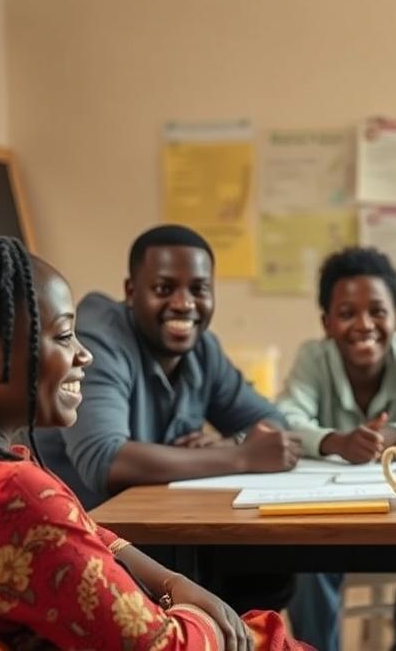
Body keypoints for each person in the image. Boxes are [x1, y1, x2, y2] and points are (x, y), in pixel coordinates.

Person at [0, 231, 310, 650]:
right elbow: (168, 646)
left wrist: (171, 582)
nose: (84, 354)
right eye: (62, 335)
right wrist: (211, 618)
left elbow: (81, 530)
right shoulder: (10, 496)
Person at [38, 224, 301, 611]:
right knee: (233, 578)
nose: (183, 303)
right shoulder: (100, 339)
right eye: (164, 288)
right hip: (86, 541)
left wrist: (230, 444)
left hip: (157, 534)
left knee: (269, 571)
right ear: (131, 292)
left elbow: (272, 423)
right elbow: (104, 459)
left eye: (199, 289)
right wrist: (241, 457)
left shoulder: (203, 349)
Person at [277, 246, 396, 651]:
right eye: (347, 313)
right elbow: (285, 418)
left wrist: (390, 435)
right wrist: (336, 441)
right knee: (305, 563)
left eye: (377, 311)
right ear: (326, 323)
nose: (364, 325)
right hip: (331, 519)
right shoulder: (313, 357)